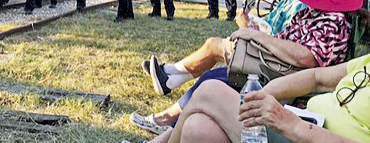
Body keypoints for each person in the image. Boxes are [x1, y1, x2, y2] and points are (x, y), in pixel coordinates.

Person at [147, 0, 360, 98]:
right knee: (215, 73)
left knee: (214, 72)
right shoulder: (318, 11)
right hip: (278, 65)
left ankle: (168, 108)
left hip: (283, 75)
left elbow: (307, 57)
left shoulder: (334, 20)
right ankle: (169, 92)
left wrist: (253, 35)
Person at [156, 53, 370, 143]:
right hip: (302, 123)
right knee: (199, 129)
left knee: (211, 89)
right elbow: (317, 77)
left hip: (306, 135)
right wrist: (263, 95)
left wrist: (295, 126)